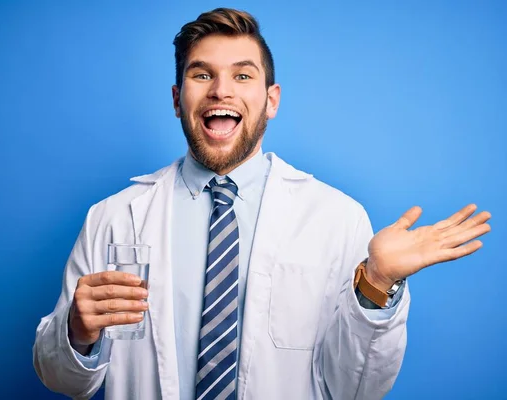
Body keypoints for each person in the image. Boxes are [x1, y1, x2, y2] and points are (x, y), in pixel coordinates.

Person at [33, 8, 491, 400]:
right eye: (201, 74)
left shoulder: (337, 218)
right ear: (177, 100)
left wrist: (378, 284)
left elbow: (357, 389)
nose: (221, 91)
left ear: (270, 100)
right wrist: (76, 331)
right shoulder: (112, 219)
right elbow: (62, 378)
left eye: (243, 75)